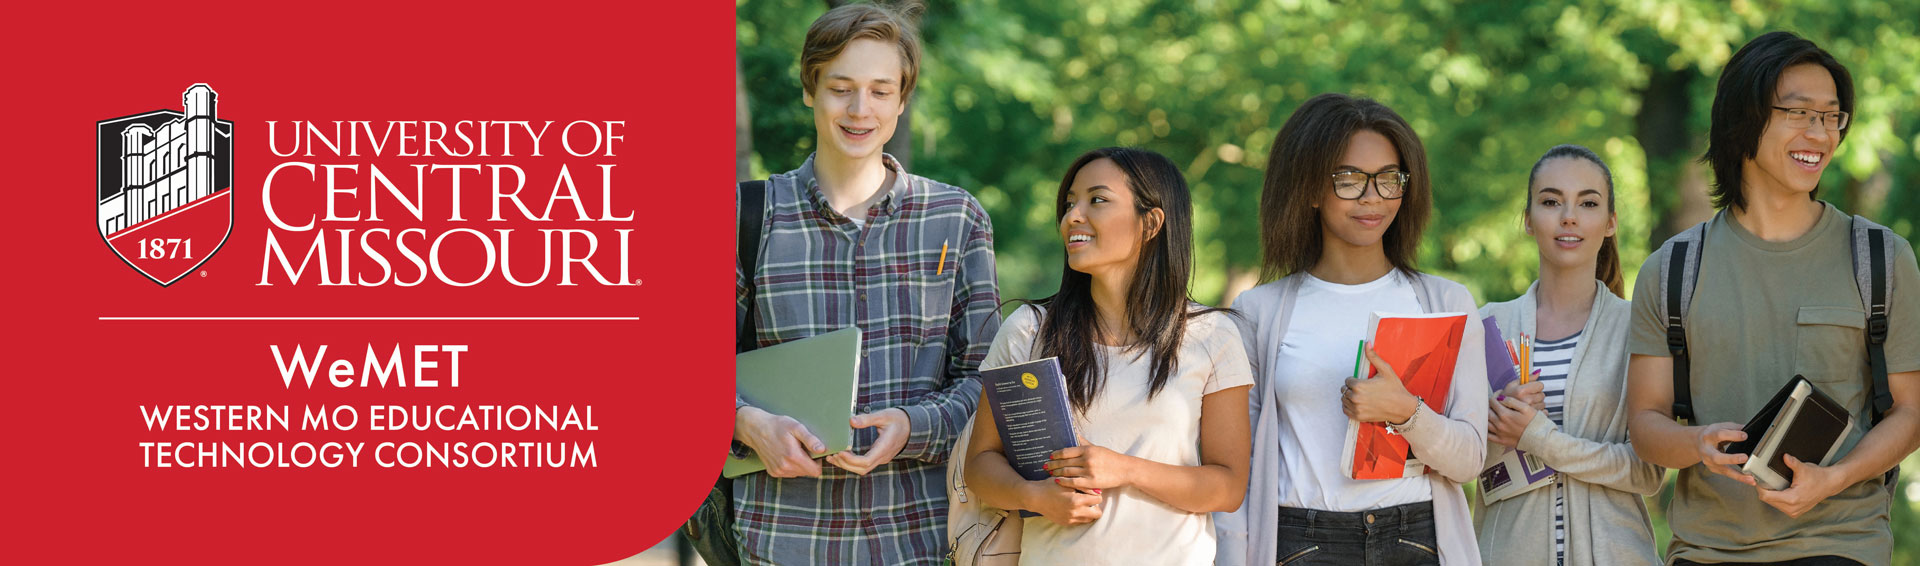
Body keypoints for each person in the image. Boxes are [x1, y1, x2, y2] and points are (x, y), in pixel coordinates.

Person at [1624, 31, 1920, 566]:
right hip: (1705, 551)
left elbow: (1911, 411)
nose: (1821, 134)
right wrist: (1697, 445)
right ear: (1744, 119)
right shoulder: (1670, 271)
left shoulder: (1881, 259)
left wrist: (1834, 479)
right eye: (1800, 113)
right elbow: (1645, 424)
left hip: (1840, 547)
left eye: (1832, 117)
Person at [728, 4, 1001, 565]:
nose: (860, 110)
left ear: (902, 100)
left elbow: (985, 380)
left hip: (919, 541)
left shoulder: (956, 219)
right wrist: (745, 423)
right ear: (811, 90)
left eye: (881, 91)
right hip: (780, 542)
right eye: (841, 88)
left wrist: (911, 426)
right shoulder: (741, 217)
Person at [1216, 93, 1489, 566]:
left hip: (1415, 538)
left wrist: (1406, 412)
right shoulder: (1258, 312)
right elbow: (1238, 472)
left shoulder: (1445, 303)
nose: (1372, 197)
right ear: (1309, 190)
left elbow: (1469, 460)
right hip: (1301, 542)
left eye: (1389, 180)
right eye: (1349, 180)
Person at [962, 147, 1254, 566]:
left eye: (1096, 200)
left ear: (1151, 223)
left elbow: (1227, 488)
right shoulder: (1030, 329)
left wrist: (1125, 469)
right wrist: (1034, 496)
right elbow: (980, 463)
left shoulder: (1212, 335)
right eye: (1068, 204)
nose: (1072, 217)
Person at [1472, 145, 1661, 566]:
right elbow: (1456, 462)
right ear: (1528, 219)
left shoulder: (1638, 329)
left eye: (1588, 203)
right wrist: (1493, 423)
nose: (1568, 216)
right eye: (1551, 201)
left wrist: (1538, 437)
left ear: (1610, 222)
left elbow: (1648, 472)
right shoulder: (1485, 326)